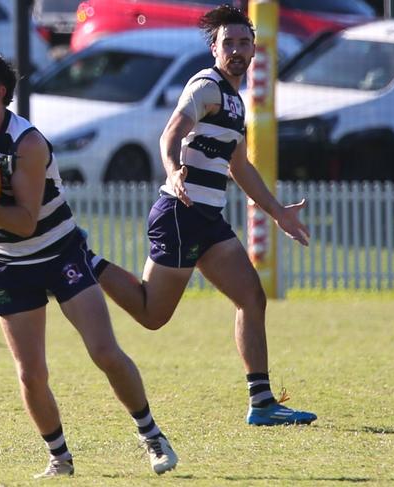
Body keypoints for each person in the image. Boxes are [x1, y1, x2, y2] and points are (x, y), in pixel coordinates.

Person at [0, 51, 178, 478]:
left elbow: (27, 222)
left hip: (60, 252)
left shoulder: (28, 143)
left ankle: (152, 435)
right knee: (31, 374)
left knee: (104, 351)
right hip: (9, 264)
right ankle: (59, 458)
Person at [88, 5, 317, 426]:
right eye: (227, 43)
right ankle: (84, 261)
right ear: (214, 49)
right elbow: (171, 131)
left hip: (207, 220)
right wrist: (174, 170)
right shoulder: (207, 85)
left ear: (254, 50)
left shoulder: (234, 101)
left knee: (251, 297)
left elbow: (239, 167)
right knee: (152, 315)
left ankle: (262, 403)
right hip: (181, 211)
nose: (236, 49)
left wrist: (278, 212)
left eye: (243, 43)